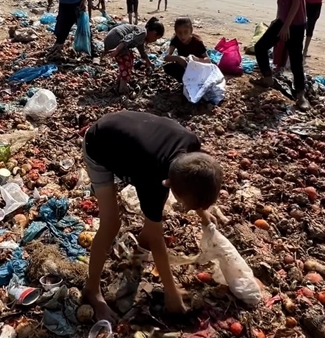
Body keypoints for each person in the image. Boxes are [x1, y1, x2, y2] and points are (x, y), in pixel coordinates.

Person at [82, 111, 223, 322]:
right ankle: (91, 290)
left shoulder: (192, 146)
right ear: (168, 184)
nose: (185, 209)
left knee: (153, 218)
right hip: (100, 143)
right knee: (111, 224)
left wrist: (203, 212)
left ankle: (142, 242)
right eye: (184, 204)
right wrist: (171, 291)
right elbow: (158, 240)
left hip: (131, 133)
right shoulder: (153, 180)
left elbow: (196, 182)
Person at [247, 0, 309, 111]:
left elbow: (296, 3)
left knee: (295, 61)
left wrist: (286, 27)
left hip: (294, 25)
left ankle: (301, 96)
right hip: (282, 22)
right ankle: (268, 79)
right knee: (260, 47)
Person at [103, 17, 164, 94]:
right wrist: (117, 49)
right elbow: (128, 38)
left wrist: (149, 63)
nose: (154, 41)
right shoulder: (143, 32)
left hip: (113, 38)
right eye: (156, 38)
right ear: (154, 33)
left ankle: (120, 80)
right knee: (127, 60)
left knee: (129, 58)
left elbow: (142, 51)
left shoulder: (142, 36)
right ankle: (123, 86)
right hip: (116, 38)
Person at [163, 17, 209, 83]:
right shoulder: (176, 39)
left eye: (186, 32)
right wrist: (178, 58)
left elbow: (208, 60)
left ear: (191, 30)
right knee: (167, 68)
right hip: (183, 67)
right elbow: (166, 57)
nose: (182, 36)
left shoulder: (197, 42)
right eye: (179, 33)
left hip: (197, 68)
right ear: (175, 32)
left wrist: (196, 59)